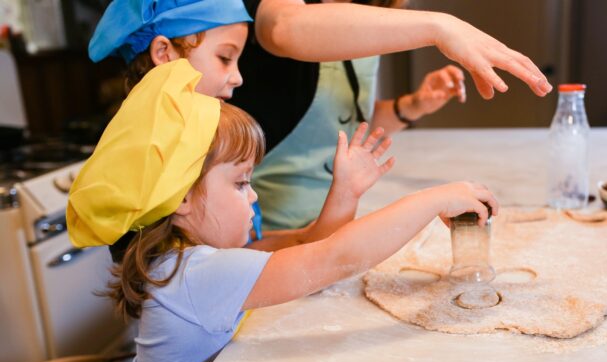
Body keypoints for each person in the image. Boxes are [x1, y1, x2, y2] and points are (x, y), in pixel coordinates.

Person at [66, 59, 498, 362]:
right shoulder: (198, 274)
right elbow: (332, 259)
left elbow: (304, 244)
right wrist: (431, 199)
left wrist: (345, 193)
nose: (253, 197)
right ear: (181, 199)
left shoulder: (186, 257)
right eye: (239, 183)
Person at [88, 0, 397, 256]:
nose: (238, 78)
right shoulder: (166, 157)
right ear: (163, 53)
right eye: (225, 58)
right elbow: (240, 272)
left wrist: (334, 208)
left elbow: (248, 253)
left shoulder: (205, 136)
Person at [231, 0, 553, 230]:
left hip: (333, 220)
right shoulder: (287, 10)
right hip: (265, 225)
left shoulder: (369, 10)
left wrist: (412, 106)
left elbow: (341, 121)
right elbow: (282, 28)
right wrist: (440, 26)